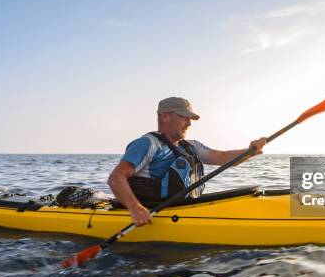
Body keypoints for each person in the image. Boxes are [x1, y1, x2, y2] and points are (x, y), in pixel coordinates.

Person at [108, 97, 267, 226]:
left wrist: (250, 151)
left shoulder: (191, 146)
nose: (189, 123)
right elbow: (116, 177)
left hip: (184, 209)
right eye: (184, 117)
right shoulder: (147, 144)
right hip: (153, 214)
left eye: (189, 118)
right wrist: (135, 207)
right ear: (164, 116)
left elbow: (223, 157)